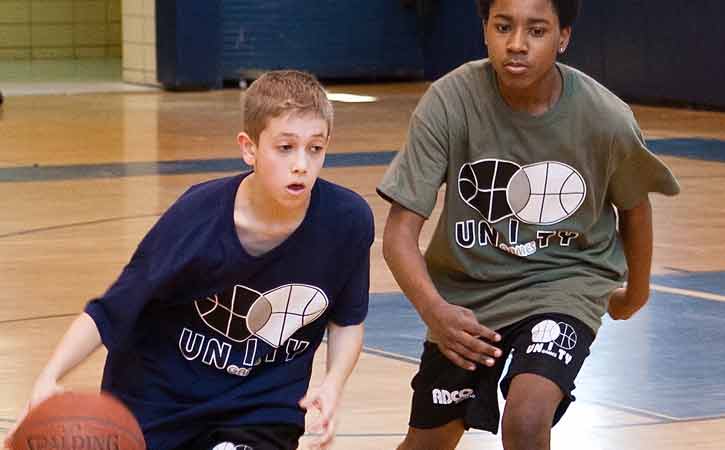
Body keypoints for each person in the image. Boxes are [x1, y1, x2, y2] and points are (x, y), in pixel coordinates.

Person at [7, 70, 374, 450]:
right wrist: (49, 376)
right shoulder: (196, 218)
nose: (302, 164)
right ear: (249, 148)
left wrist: (333, 384)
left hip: (261, 406)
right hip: (161, 399)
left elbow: (347, 320)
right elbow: (110, 311)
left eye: (315, 148)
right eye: (285, 148)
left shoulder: (346, 221)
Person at [377, 0, 680, 449]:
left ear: (564, 37)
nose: (516, 45)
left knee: (526, 417)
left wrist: (636, 293)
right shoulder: (450, 99)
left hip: (565, 282)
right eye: (503, 27)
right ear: (484, 30)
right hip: (466, 293)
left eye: (536, 31)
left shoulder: (604, 117)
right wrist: (435, 312)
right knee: (430, 442)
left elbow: (635, 207)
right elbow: (399, 234)